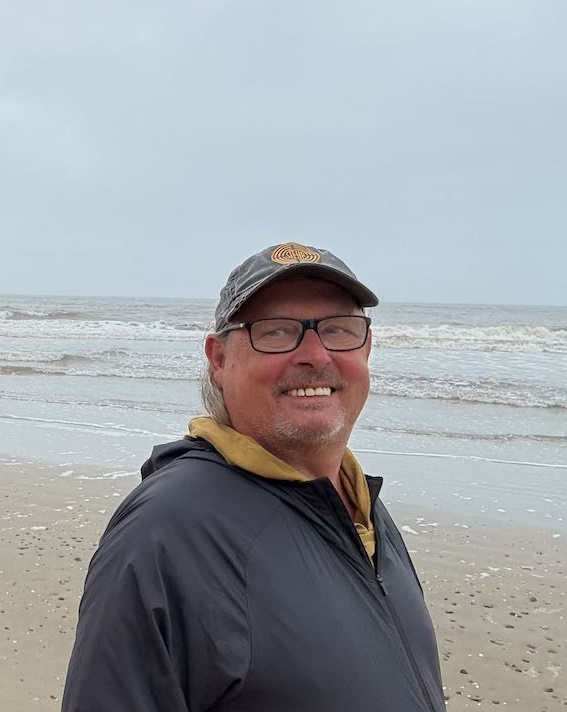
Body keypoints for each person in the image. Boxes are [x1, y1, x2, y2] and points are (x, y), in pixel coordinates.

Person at [62, 242, 445, 711]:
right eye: (276, 331)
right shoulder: (167, 531)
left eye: (338, 329)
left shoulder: (358, 503)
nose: (315, 355)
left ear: (366, 347)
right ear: (219, 359)